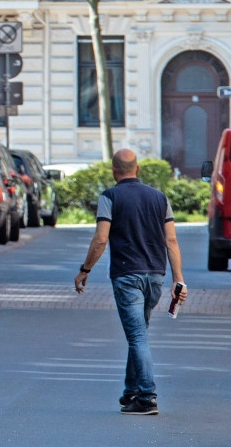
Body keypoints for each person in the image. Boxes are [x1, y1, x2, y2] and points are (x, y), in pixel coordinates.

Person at [74, 149, 187, 415]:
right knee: (139, 334)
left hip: (127, 276)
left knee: (137, 336)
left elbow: (101, 239)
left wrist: (85, 270)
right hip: (156, 276)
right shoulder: (160, 198)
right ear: (138, 169)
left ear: (114, 171)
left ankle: (147, 397)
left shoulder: (110, 196)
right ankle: (131, 391)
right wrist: (178, 280)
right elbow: (171, 240)